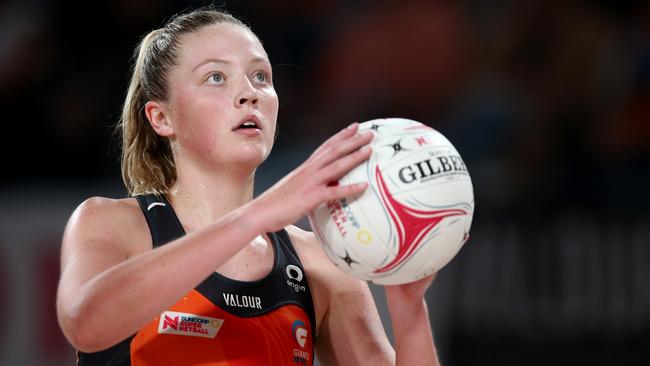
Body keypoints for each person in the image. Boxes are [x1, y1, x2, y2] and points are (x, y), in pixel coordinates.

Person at [56, 8, 439, 366]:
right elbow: (85, 324)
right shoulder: (112, 223)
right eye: (216, 77)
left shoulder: (321, 263)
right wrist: (257, 216)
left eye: (261, 77)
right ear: (161, 117)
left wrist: (409, 310)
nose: (249, 93)